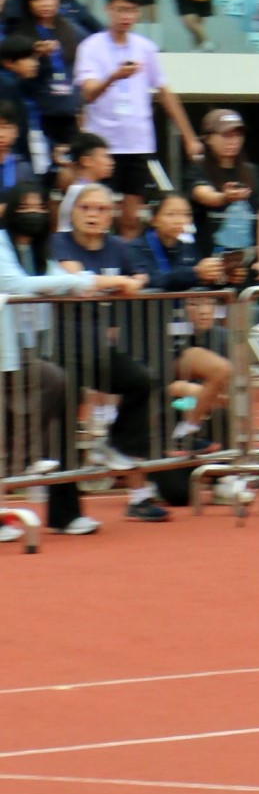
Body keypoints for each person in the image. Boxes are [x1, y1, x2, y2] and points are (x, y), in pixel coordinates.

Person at [48, 183, 171, 521]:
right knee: (65, 427)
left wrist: (133, 282)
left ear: (111, 215)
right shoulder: (59, 242)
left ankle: (116, 451)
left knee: (141, 380)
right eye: (86, 208)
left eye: (101, 209)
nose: (93, 215)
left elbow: (142, 276)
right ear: (73, 212)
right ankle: (65, 515)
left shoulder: (117, 246)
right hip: (61, 348)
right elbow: (75, 277)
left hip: (98, 347)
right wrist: (119, 283)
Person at [0, 184, 108, 538]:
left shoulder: (38, 250)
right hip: (7, 352)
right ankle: (25, 462)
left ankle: (64, 511)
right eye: (24, 207)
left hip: (28, 349)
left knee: (58, 401)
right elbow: (17, 284)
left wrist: (77, 281)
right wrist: (76, 281)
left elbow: (60, 281)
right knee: (51, 383)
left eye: (38, 206)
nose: (32, 213)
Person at [74, 0, 201, 241]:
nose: (126, 16)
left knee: (131, 218)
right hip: (103, 144)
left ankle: (128, 263)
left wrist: (189, 137)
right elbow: (88, 93)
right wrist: (114, 76)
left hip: (137, 142)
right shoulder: (91, 46)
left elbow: (165, 93)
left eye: (132, 10)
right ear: (108, 9)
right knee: (98, 211)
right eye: (120, 9)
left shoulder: (145, 47)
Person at [126, 191, 232, 448]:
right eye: (171, 214)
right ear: (154, 219)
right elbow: (151, 281)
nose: (179, 220)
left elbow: (199, 285)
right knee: (183, 391)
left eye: (184, 214)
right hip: (145, 342)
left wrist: (223, 277)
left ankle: (187, 430)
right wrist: (195, 273)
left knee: (222, 370)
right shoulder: (134, 249)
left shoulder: (187, 249)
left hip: (180, 342)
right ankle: (166, 430)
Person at [185, 109, 259, 280]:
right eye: (226, 135)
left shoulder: (253, 172)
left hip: (246, 267)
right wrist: (224, 197)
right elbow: (203, 194)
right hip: (210, 267)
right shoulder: (198, 170)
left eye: (238, 135)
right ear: (208, 138)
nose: (233, 141)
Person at [14, 0, 84, 173]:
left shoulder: (70, 30)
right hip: (39, 115)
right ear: (28, 2)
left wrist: (81, 107)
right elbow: (20, 77)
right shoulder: (21, 34)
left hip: (69, 113)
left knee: (72, 172)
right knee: (43, 172)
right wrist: (35, 54)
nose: (45, 3)